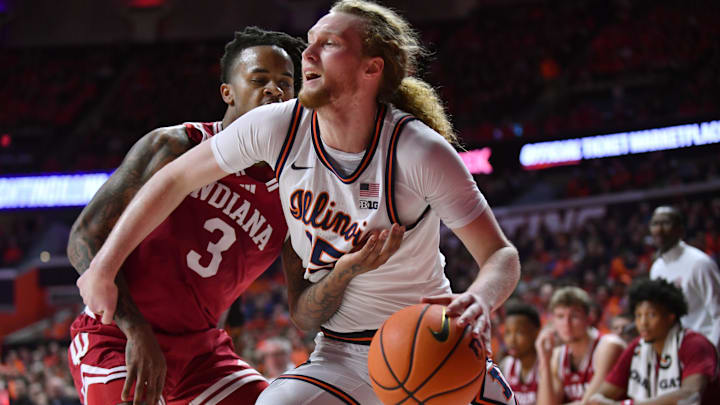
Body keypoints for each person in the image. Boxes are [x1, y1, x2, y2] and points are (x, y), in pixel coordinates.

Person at [74, 1, 521, 404]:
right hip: (341, 354)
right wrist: (104, 268)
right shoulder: (274, 128)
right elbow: (171, 180)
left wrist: (481, 299)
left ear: (371, 69)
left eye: (328, 45)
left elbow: (500, 254)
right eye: (309, 44)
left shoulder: (418, 152)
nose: (307, 55)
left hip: (425, 340)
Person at [65, 27, 305, 405]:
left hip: (203, 353)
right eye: (259, 79)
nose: (274, 90)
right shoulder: (176, 145)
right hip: (117, 336)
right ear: (227, 92)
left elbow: (236, 272)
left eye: (285, 83)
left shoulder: (294, 189)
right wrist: (137, 331)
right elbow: (83, 239)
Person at [588, 278, 720, 405]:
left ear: (670, 316)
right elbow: (603, 394)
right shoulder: (638, 347)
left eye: (651, 315)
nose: (643, 323)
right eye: (639, 315)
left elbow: (689, 396)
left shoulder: (695, 344)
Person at [535, 287, 626, 405]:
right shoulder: (558, 355)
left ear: (589, 318)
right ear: (553, 321)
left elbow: (590, 403)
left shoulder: (608, 346)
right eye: (560, 316)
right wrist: (545, 361)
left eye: (574, 316)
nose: (566, 324)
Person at [648, 205, 720, 349]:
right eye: (655, 223)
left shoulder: (700, 263)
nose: (659, 229)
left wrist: (712, 353)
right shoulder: (656, 268)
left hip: (703, 351)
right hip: (675, 352)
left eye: (666, 223)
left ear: (680, 230)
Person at [499, 301, 541, 405]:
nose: (512, 340)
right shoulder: (506, 364)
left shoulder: (548, 364)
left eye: (519, 332)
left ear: (536, 333)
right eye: (508, 332)